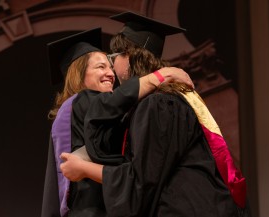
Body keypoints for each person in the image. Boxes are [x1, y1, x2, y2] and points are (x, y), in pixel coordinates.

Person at [60, 11, 251, 217]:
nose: (113, 69)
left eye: (114, 58)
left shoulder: (157, 105)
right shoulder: (169, 98)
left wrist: (84, 169)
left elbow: (141, 181)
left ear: (130, 57)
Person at [41, 27, 194, 217]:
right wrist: (160, 76)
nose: (111, 73)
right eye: (100, 67)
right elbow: (114, 102)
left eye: (110, 66)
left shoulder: (75, 110)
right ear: (79, 74)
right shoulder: (81, 102)